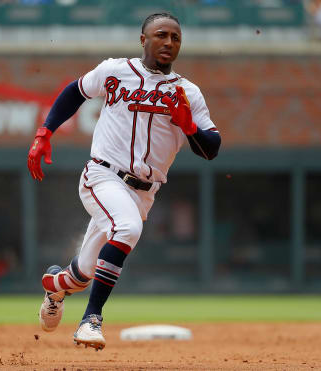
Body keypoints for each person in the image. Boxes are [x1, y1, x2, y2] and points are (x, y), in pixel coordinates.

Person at [27, 12, 221, 351]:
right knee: (128, 229)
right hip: (102, 175)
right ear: (143, 39)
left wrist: (189, 126)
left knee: (83, 273)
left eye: (176, 38)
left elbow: (211, 149)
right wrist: (45, 131)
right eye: (161, 35)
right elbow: (75, 90)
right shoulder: (116, 71)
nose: (169, 42)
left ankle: (54, 285)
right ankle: (91, 320)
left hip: (143, 193)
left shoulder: (188, 93)